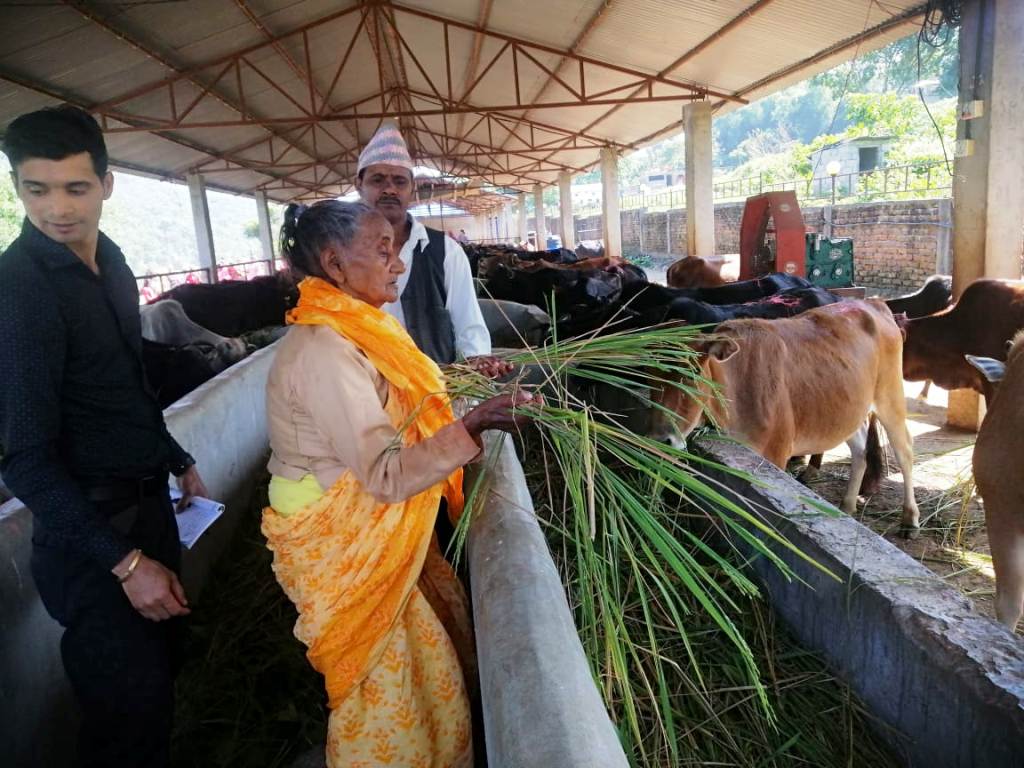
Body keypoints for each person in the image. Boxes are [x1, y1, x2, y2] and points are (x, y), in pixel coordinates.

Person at [263, 199, 537, 767]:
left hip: (362, 519)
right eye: (383, 252)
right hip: (336, 532)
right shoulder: (324, 348)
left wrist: (459, 378)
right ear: (336, 266)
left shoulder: (361, 328)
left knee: (427, 657)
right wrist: (472, 424)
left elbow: (399, 397)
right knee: (385, 685)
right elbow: (385, 473)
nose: (397, 264)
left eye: (397, 251)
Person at [0, 105, 208, 768]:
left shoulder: (112, 263)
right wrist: (123, 564)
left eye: (75, 188)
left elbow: (124, 381)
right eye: (35, 189)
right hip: (91, 544)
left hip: (148, 511)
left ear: (107, 183)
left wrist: (175, 458)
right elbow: (25, 463)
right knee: (125, 719)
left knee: (162, 681)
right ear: (16, 188)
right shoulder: (21, 291)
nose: (57, 209)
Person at [355, 120, 509, 378]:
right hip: (365, 395)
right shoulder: (343, 254)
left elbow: (469, 329)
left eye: (399, 181)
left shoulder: (446, 252)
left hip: (435, 396)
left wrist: (476, 373)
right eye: (378, 180)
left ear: (412, 188)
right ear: (359, 184)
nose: (390, 189)